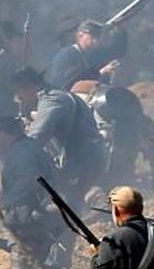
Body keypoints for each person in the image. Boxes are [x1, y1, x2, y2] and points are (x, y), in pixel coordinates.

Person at [0, 116, 89, 269]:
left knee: (24, 268)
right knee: (36, 266)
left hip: (36, 218)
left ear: (6, 133)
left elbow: (29, 182)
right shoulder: (28, 148)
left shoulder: (22, 152)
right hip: (41, 216)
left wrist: (4, 202)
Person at [11, 67, 105, 205]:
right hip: (81, 160)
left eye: (19, 94)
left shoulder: (52, 100)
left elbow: (36, 137)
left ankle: (93, 198)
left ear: (30, 87)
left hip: (84, 162)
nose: (18, 99)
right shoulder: (51, 99)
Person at [47, 21, 124, 90]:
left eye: (97, 37)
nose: (96, 41)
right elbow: (73, 81)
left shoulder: (91, 54)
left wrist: (119, 31)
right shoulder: (67, 55)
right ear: (80, 35)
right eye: (92, 37)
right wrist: (101, 72)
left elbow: (117, 52)